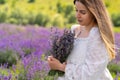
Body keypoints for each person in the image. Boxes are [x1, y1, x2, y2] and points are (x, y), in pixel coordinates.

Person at [47, 0, 115, 80]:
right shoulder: (74, 30)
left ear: (94, 13)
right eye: (76, 10)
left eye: (83, 12)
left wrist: (60, 67)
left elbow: (90, 74)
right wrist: (57, 59)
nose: (77, 15)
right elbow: (72, 60)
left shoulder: (97, 36)